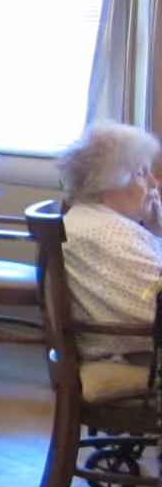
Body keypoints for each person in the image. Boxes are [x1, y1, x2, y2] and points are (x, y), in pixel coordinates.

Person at [54, 120, 162, 359]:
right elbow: (152, 304)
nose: (154, 183)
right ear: (109, 182)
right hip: (138, 356)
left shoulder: (94, 218)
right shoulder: (109, 235)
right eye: (142, 173)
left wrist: (156, 227)